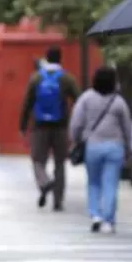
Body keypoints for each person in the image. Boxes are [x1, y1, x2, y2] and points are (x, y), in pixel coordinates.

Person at [70, 66, 131, 233]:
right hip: (115, 147)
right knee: (110, 184)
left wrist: (76, 139)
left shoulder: (86, 98)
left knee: (93, 182)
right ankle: (108, 221)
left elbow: (76, 122)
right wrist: (129, 147)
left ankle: (95, 214)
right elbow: (127, 126)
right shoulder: (118, 101)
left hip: (93, 146)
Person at [20, 46, 80, 211]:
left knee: (37, 160)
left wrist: (23, 126)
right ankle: (58, 201)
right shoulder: (67, 78)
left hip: (39, 127)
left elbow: (27, 103)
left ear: (46, 58)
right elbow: (79, 101)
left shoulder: (36, 78)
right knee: (60, 163)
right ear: (60, 58)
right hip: (60, 126)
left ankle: (45, 182)